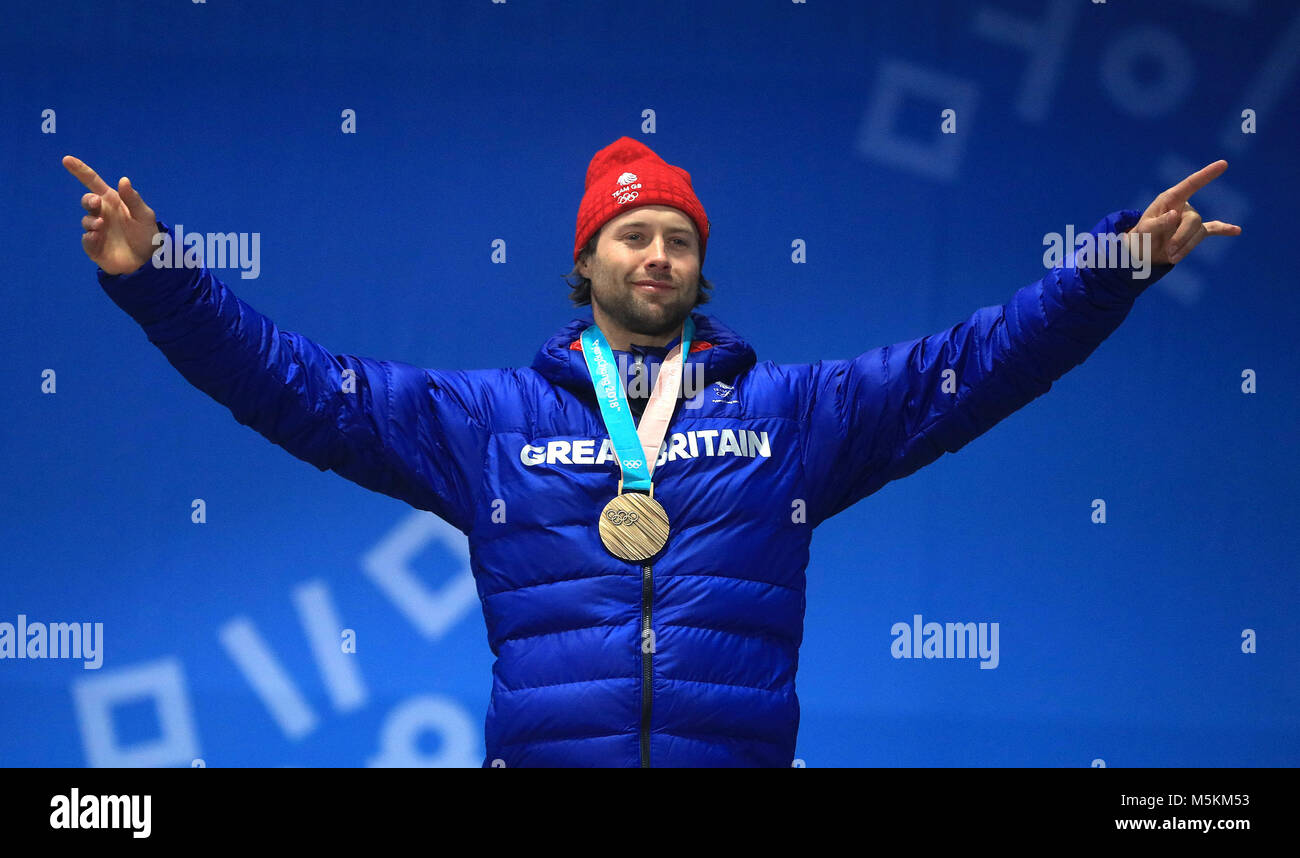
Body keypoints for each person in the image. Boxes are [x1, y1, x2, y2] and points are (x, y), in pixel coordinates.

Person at [62, 138, 1240, 767]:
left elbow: (975, 365)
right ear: (588, 262)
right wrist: (163, 285)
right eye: (633, 234)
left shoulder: (792, 414)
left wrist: (1111, 267)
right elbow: (303, 391)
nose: (658, 254)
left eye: (678, 237)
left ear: (700, 267)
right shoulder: (489, 422)